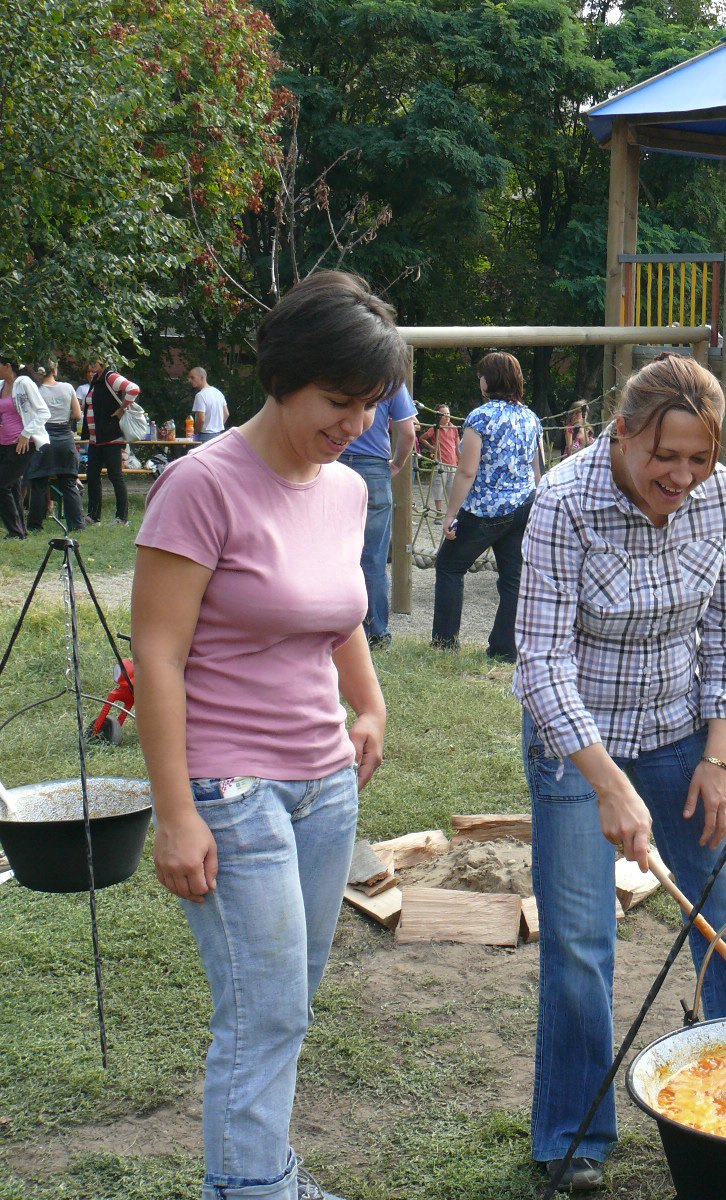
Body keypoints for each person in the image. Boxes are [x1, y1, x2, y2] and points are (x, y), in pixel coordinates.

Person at [131, 269, 408, 1200]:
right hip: (228, 787)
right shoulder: (198, 485)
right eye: (340, 400)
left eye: (371, 403)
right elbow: (158, 656)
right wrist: (176, 814)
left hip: (324, 783)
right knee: (265, 1011)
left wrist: (366, 704)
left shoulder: (342, 489)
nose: (357, 423)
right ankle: (251, 1191)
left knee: (288, 999)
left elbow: (339, 614)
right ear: (283, 376)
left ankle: (265, 1176)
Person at [514, 353, 726, 1194]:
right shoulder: (562, 504)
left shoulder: (719, 497)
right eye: (666, 457)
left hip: (685, 736)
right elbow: (541, 665)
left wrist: (717, 756)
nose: (684, 478)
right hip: (578, 746)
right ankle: (574, 1135)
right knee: (583, 944)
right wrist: (606, 783)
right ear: (621, 434)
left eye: (700, 459)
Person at [431, 352, 542, 661]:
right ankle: (505, 649)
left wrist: (451, 515)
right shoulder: (531, 418)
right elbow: (537, 470)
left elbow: (467, 471)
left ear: (490, 380)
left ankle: (444, 643)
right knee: (513, 579)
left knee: (449, 566)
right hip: (523, 506)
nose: (479, 379)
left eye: (481, 374)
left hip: (484, 510)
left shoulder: (480, 417)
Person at [340, 380, 417, 649]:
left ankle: (333, 627)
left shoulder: (339, 373)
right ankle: (376, 633)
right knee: (373, 556)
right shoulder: (391, 382)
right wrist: (397, 462)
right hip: (374, 467)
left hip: (334, 462)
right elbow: (407, 433)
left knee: (332, 552)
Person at [27, 359, 85, 531]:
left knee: (39, 483)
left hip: (42, 437)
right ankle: (77, 525)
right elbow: (77, 413)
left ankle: (35, 525)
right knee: (69, 482)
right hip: (65, 437)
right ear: (55, 370)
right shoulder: (68, 388)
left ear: (39, 372)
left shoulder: (36, 390)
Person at [83, 361, 141, 525]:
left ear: (103, 362)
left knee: (115, 475)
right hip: (96, 439)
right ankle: (93, 517)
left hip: (110, 436)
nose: (91, 365)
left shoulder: (110, 376)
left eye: (94, 361)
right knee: (92, 475)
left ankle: (122, 518)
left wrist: (123, 407)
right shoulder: (96, 380)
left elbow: (133, 389)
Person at [0, 357, 51, 539]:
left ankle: (14, 532)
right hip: (4, 443)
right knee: (12, 486)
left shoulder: (24, 383)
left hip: (22, 443)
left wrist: (26, 433)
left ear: (7, 366)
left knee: (2, 485)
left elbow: (44, 412)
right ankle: (20, 531)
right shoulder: (0, 386)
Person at [419, 402, 459, 512]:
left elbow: (457, 446)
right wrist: (432, 448)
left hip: (452, 463)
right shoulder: (435, 428)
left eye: (448, 413)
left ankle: (451, 513)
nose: (447, 416)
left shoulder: (454, 428)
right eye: (444, 414)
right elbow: (422, 438)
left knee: (452, 489)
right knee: (439, 488)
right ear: (438, 416)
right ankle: (439, 512)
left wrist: (459, 460)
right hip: (440, 463)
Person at [188, 366, 230, 443]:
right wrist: (216, 427)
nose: (189, 380)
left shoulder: (200, 395)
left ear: (202, 378)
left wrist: (195, 434)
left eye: (192, 377)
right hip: (219, 436)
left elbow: (201, 419)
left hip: (204, 437)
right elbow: (226, 413)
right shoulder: (218, 393)